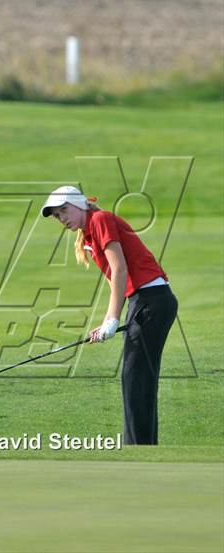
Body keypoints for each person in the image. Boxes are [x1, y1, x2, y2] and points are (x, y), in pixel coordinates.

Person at [41, 186, 178, 445]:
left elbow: (120, 269)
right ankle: (144, 447)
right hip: (146, 302)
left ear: (79, 204)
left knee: (135, 378)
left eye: (64, 211)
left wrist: (113, 320)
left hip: (152, 300)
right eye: (58, 216)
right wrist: (107, 321)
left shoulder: (100, 220)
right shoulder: (88, 234)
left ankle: (138, 449)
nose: (62, 219)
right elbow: (114, 278)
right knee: (138, 378)